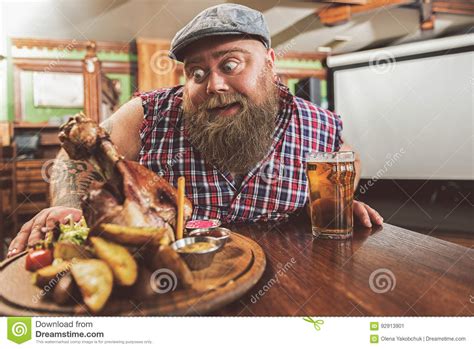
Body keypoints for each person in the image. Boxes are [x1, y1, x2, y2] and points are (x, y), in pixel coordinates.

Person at [7, 4, 383, 257]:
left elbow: (347, 161)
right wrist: (67, 205)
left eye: (231, 64)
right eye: (197, 73)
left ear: (269, 63)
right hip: (172, 285)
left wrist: (336, 203)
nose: (214, 85)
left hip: (288, 283)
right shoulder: (148, 113)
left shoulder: (318, 123)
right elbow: (76, 157)